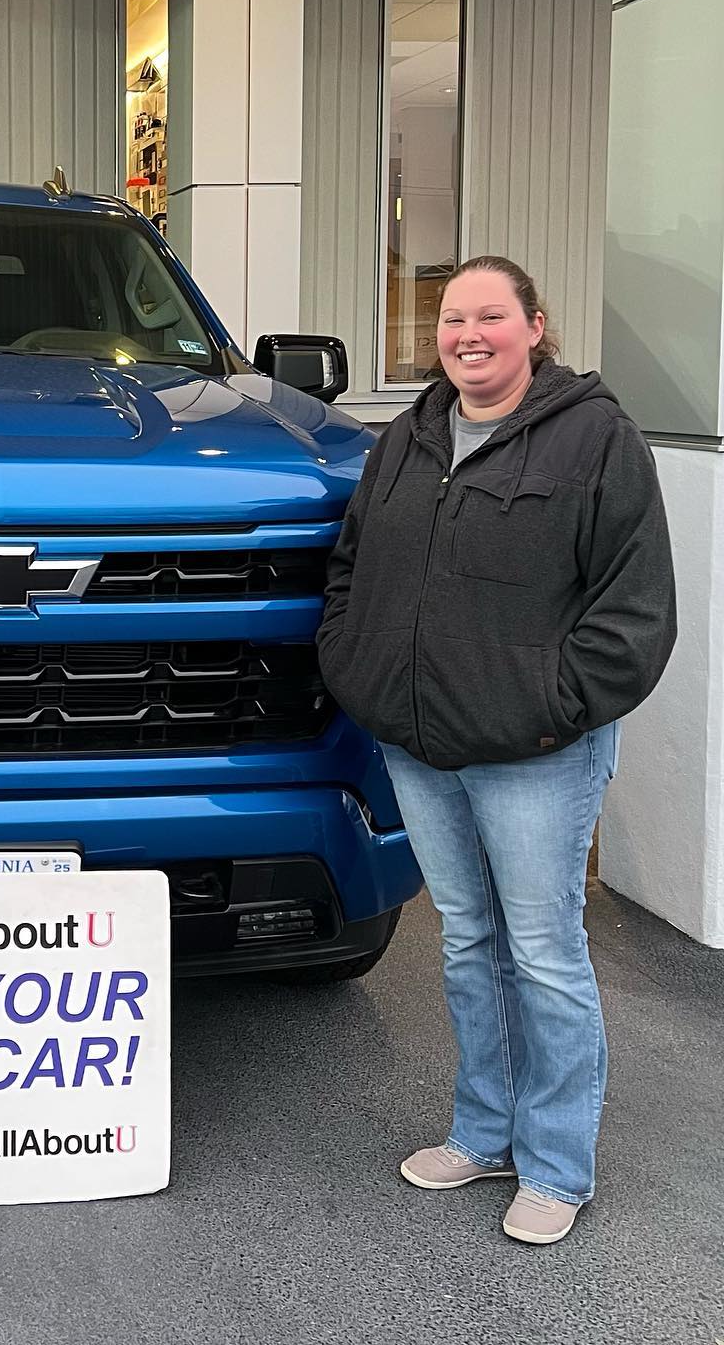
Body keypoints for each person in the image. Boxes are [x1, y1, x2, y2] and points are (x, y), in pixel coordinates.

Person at [317, 255, 676, 1246]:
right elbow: (351, 567)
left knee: (545, 953)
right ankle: (484, 1132)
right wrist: (358, 668)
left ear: (534, 326)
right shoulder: (408, 438)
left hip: (537, 752)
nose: (468, 335)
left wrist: (550, 708)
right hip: (421, 745)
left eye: (490, 317)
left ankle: (555, 1163)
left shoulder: (596, 438)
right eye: (451, 320)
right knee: (470, 942)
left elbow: (634, 610)